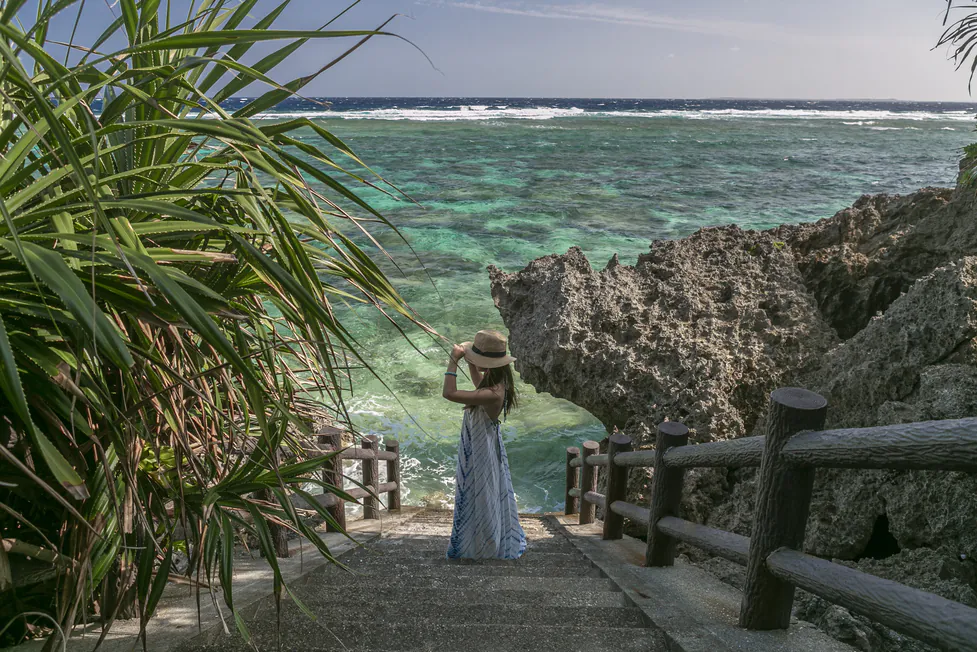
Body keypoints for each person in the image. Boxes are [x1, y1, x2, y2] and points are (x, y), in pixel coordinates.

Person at [441, 329, 527, 560]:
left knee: (481, 495)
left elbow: (449, 393)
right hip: (484, 446)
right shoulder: (496, 384)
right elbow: (479, 386)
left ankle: (483, 544)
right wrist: (471, 363)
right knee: (483, 493)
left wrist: (453, 360)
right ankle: (482, 538)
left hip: (482, 452)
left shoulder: (493, 393)